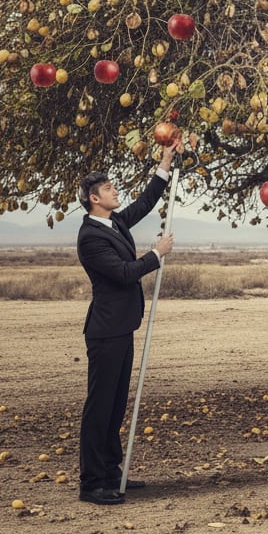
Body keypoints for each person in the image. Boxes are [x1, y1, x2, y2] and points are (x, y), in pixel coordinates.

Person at [76, 137, 179, 505]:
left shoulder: (115, 223)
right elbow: (122, 273)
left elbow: (146, 202)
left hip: (123, 327)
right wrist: (156, 253)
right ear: (93, 198)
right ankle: (91, 483)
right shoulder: (90, 237)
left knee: (116, 403)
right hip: (105, 331)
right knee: (100, 405)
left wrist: (165, 164)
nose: (115, 190)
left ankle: (111, 472)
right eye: (107, 188)